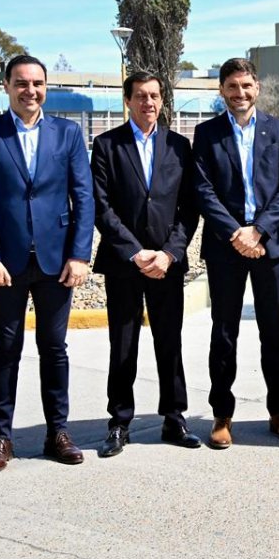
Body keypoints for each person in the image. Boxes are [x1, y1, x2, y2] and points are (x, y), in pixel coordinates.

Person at [0, 54, 94, 473]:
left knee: (54, 348)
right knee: (6, 349)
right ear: (6, 86)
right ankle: (1, 437)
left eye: (37, 83)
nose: (30, 91)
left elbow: (83, 196)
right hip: (6, 263)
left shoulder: (67, 133)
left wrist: (80, 254)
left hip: (58, 261)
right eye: (21, 83)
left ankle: (58, 432)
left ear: (46, 87)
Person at [91, 71, 202, 457]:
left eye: (154, 96)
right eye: (140, 96)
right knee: (123, 344)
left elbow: (189, 207)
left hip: (166, 263)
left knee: (169, 341)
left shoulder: (179, 146)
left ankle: (174, 417)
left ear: (162, 100)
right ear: (128, 100)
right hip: (125, 263)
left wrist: (169, 253)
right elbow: (101, 206)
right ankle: (119, 422)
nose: (148, 102)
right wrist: (134, 251)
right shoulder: (107, 145)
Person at [192, 57, 279, 448]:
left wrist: (259, 230)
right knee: (224, 333)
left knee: (273, 333)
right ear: (222, 89)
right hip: (226, 247)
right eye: (232, 86)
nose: (240, 93)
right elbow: (202, 188)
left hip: (269, 246)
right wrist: (236, 233)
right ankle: (222, 415)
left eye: (246, 85)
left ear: (257, 88)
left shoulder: (278, 129)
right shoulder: (206, 133)